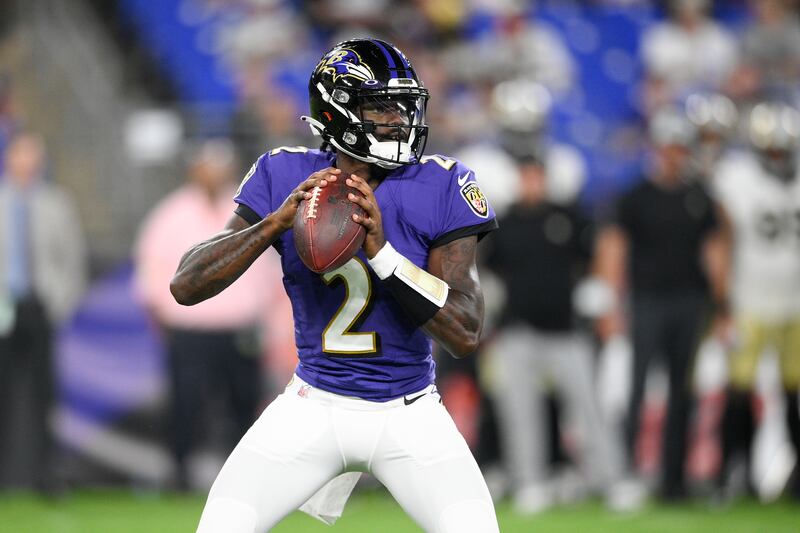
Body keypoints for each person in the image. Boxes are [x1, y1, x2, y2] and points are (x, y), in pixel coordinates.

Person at [170, 39, 500, 532]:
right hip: (313, 402)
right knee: (222, 525)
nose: (397, 119)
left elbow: (465, 330)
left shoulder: (444, 183)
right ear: (335, 110)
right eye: (380, 106)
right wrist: (272, 225)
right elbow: (186, 284)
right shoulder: (284, 173)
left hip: (408, 408)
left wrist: (384, 255)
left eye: (401, 105)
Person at [594, 108, 730, 501]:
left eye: (678, 148)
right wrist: (610, 304)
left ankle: (675, 479)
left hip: (690, 300)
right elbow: (614, 250)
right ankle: (627, 473)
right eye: (667, 147)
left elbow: (715, 249)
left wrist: (722, 305)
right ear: (656, 149)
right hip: (648, 300)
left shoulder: (699, 196)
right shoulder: (636, 197)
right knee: (637, 389)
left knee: (681, 390)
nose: (673, 155)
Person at [134, 138, 272, 490]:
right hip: (190, 330)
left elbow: (267, 272)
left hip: (239, 330)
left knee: (243, 404)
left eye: (221, 166)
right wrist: (163, 319)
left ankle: (242, 479)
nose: (215, 174)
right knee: (185, 404)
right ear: (195, 170)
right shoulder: (171, 215)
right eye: (209, 166)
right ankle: (179, 474)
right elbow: (151, 272)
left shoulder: (246, 208)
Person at [712, 102, 800, 502]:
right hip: (749, 300)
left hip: (794, 303)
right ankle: (737, 470)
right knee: (739, 390)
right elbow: (723, 241)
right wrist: (724, 302)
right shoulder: (737, 178)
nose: (779, 156)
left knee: (794, 391)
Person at [0, 131, 87, 490]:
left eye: (33, 156)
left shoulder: (57, 203)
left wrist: (60, 304)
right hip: (3, 307)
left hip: (41, 305)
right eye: (21, 155)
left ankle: (47, 475)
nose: (26, 162)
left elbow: (72, 261)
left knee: (44, 394)